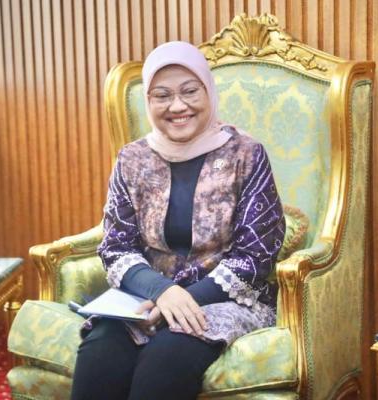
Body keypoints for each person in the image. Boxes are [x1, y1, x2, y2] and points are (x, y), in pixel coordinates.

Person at [70, 41, 285, 400]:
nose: (178, 106)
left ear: (208, 91)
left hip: (223, 299)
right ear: (148, 101)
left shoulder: (246, 155)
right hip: (145, 297)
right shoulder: (132, 159)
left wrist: (181, 300)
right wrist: (163, 292)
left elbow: (255, 256)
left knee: (165, 358)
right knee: (100, 352)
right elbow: (116, 246)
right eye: (162, 95)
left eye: (189, 91)